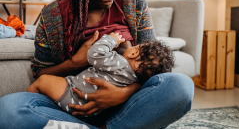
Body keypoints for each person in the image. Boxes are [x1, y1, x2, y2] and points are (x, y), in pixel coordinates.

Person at [0, 0, 194, 129]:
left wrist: (122, 94)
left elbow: (155, 67)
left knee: (180, 86)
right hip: (70, 104)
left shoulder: (133, 5)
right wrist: (75, 62)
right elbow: (40, 73)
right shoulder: (53, 15)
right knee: (9, 109)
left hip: (126, 107)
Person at [26, 31, 175, 117]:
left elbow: (94, 54)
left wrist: (112, 40)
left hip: (72, 94)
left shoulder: (120, 63)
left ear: (134, 52)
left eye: (135, 46)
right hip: (90, 111)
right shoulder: (132, 79)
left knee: (43, 81)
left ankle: (27, 99)